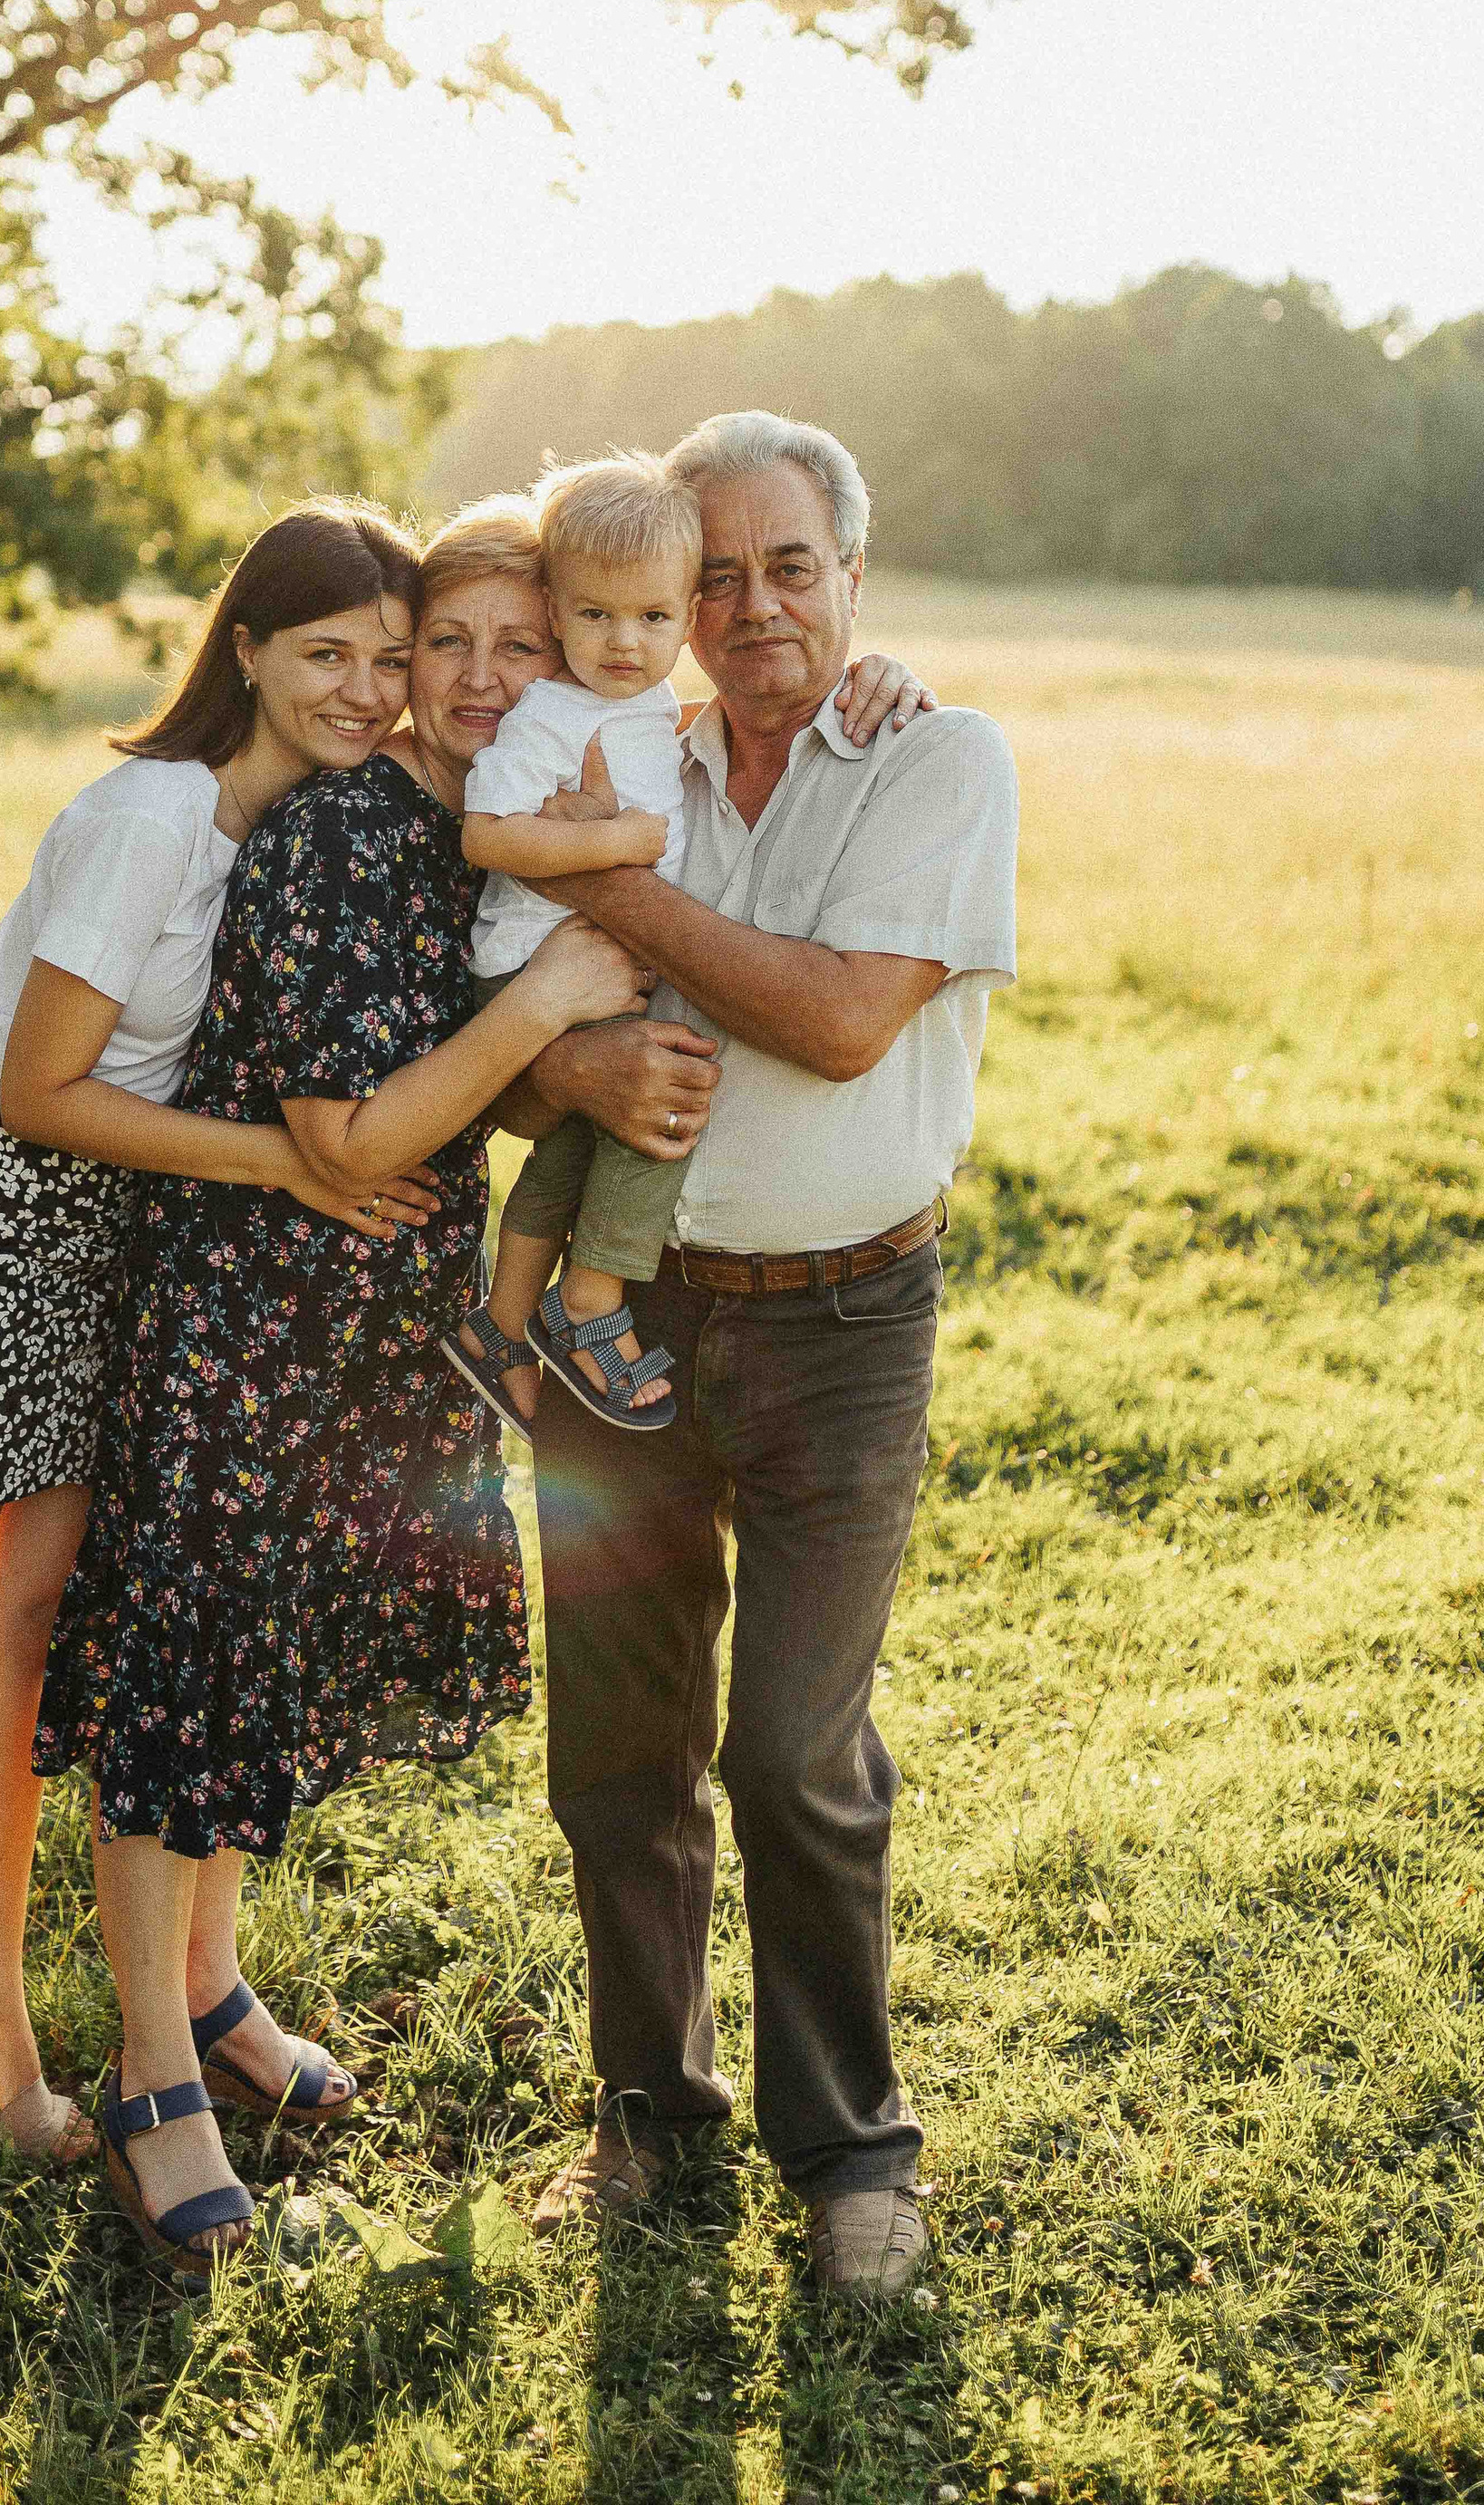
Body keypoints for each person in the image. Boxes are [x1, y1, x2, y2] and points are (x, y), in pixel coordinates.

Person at [0, 506, 436, 2180]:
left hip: (110, 1239)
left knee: (29, 1633)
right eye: (327, 651)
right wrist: (299, 1163)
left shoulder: (288, 826)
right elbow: (47, 1091)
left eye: (391, 661)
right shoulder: (152, 818)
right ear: (245, 648)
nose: (364, 689)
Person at [30, 507, 650, 2279]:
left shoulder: (482, 820)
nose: (447, 684)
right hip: (246, 1312)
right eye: (421, 644)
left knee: (269, 1665)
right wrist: (544, 1005)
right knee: (186, 1676)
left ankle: (216, 1988)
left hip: (377, 1315)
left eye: (491, 649)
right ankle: (155, 2074)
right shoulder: (328, 837)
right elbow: (352, 1134)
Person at [515, 410, 1018, 2299]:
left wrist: (599, 883)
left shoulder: (933, 756)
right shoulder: (611, 742)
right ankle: (647, 2113)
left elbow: (825, 1024)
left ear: (851, 578)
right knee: (614, 1746)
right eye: (706, 573)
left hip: (845, 1320)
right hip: (621, 1315)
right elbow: (500, 1028)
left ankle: (851, 2157)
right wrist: (559, 1058)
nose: (745, 605)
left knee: (794, 1748)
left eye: (785, 566)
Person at [444, 450, 704, 1439]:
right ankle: (589, 1300)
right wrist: (618, 846)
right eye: (594, 615)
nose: (624, 642)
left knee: (580, 1134)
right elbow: (488, 834)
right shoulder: (550, 715)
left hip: (584, 963)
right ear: (553, 610)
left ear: (688, 617)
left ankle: (502, 1321)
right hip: (532, 960)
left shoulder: (637, 704)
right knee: (665, 1104)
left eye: (652, 618)